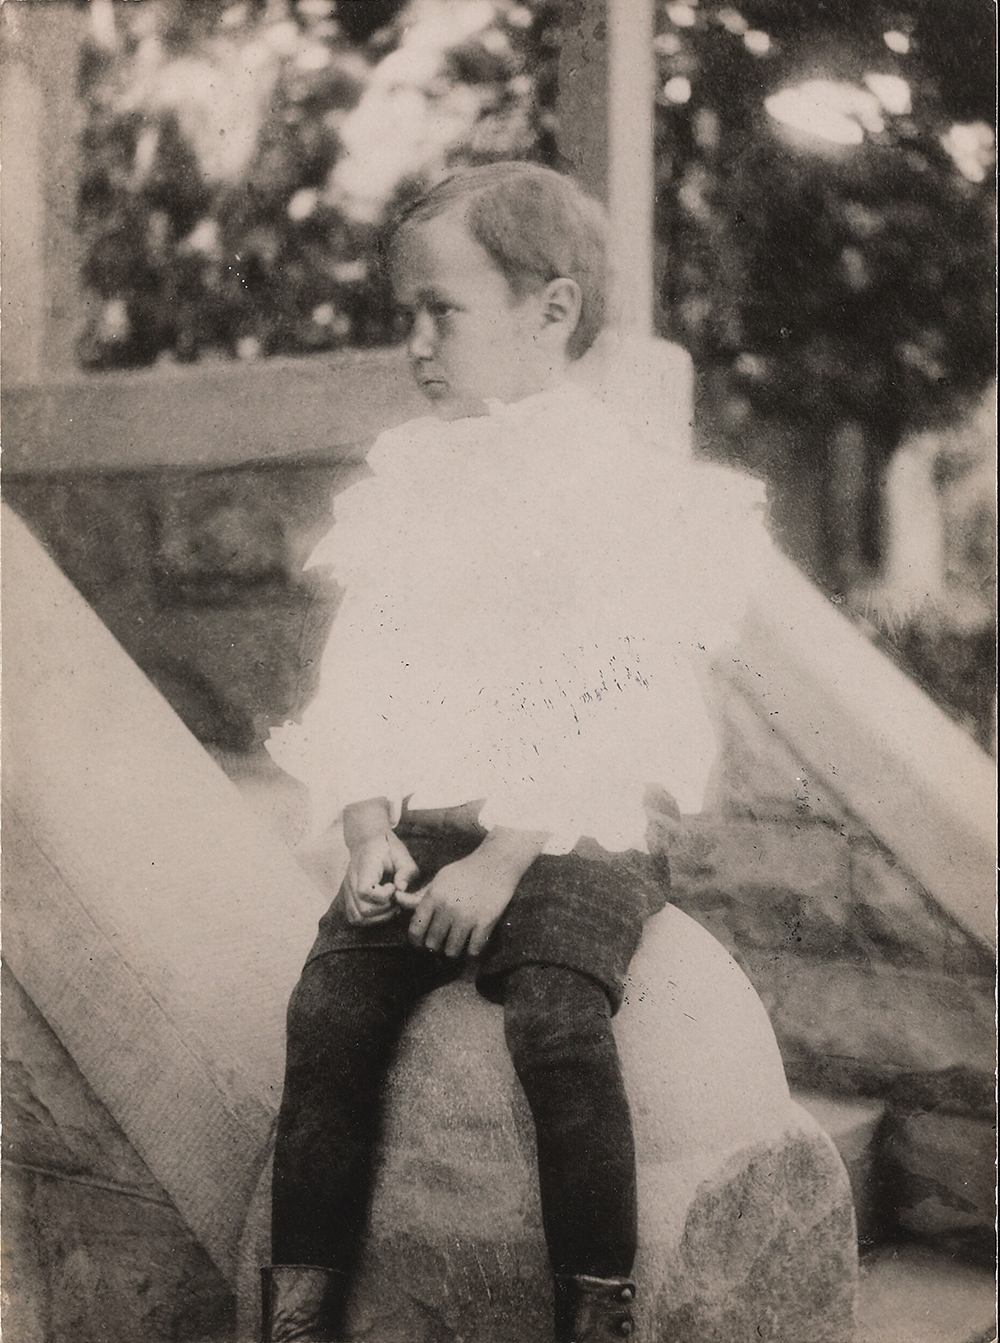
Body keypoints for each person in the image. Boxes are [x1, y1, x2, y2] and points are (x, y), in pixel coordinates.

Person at [262, 161, 772, 1342]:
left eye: (444, 311)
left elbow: (619, 687)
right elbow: (368, 666)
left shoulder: (614, 485)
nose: (417, 343)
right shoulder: (411, 479)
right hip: (431, 820)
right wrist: (369, 822)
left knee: (555, 1014)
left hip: (576, 819)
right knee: (329, 1013)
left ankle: (595, 1299)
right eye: (405, 316)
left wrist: (504, 856)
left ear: (549, 311)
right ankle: (298, 1300)